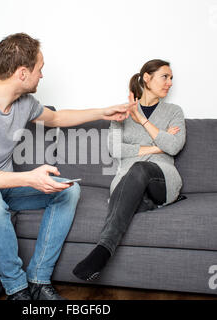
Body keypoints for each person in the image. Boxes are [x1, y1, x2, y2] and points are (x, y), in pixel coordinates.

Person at [0, 33, 133, 300]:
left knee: (67, 190)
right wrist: (29, 179)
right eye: (39, 69)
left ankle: (38, 280)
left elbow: (56, 117)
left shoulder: (25, 103)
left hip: (2, 185)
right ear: (23, 73)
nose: (42, 75)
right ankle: (16, 289)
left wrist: (103, 112)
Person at [73, 59, 186, 281]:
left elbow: (173, 146)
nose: (170, 82)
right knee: (134, 172)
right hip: (126, 180)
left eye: (171, 78)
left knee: (140, 167)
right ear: (147, 78)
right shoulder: (122, 113)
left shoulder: (174, 112)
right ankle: (144, 204)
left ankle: (103, 249)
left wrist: (143, 121)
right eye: (165, 76)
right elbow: (114, 149)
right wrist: (157, 144)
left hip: (162, 178)